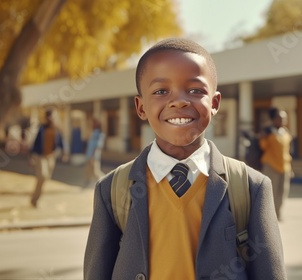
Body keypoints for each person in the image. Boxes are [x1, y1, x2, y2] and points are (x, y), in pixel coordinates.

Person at [84, 38, 286, 279]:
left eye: (195, 90)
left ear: (214, 103)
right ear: (141, 107)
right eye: (160, 91)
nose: (179, 100)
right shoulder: (112, 190)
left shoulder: (250, 188)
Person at [259, 107, 293, 221]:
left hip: (285, 167)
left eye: (284, 118)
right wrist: (263, 137)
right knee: (270, 192)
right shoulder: (268, 132)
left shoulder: (286, 133)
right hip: (271, 166)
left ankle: (278, 213)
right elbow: (263, 147)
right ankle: (269, 215)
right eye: (280, 118)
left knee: (282, 192)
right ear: (273, 120)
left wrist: (290, 168)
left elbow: (287, 151)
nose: (283, 120)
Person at [29, 109, 66, 208]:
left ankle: (35, 198)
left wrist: (64, 153)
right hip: (40, 156)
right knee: (42, 176)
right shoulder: (42, 128)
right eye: (48, 116)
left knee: (46, 178)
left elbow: (61, 142)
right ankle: (35, 200)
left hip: (50, 156)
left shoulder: (57, 129)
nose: (50, 118)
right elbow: (36, 143)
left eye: (52, 116)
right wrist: (31, 156)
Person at [84, 118, 105, 188]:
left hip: (94, 156)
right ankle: (90, 184)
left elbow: (98, 145)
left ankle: (106, 180)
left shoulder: (99, 133)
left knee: (96, 171)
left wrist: (94, 155)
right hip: (89, 155)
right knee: (89, 171)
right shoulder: (93, 132)